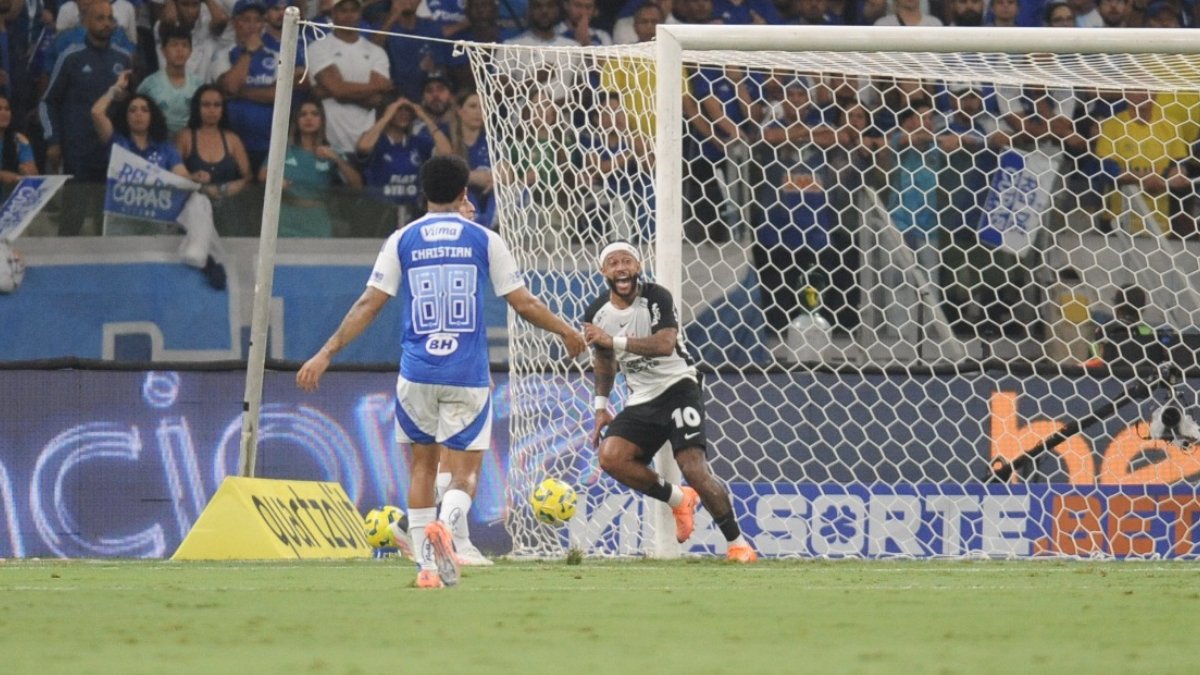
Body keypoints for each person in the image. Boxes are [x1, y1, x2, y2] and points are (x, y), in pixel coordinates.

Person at [297, 155, 586, 588]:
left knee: (422, 469)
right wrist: (566, 331)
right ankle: (447, 528)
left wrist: (326, 352)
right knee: (466, 475)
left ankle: (426, 570)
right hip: (467, 374)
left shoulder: (401, 239)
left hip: (416, 373)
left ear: (423, 192)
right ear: (464, 192)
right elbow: (523, 302)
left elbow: (368, 304)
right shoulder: (484, 239)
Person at [582, 241, 758, 563]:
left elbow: (665, 344)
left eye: (627, 261)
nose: (621, 268)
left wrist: (614, 340)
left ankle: (737, 543)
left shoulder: (656, 297)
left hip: (679, 386)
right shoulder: (596, 313)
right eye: (613, 263)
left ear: (638, 267)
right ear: (603, 271)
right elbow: (604, 362)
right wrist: (600, 407)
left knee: (692, 467)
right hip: (643, 398)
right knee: (610, 457)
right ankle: (679, 499)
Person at [92, 73, 226, 288]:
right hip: (123, 222)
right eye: (132, 110)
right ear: (125, 116)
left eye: (144, 110)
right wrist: (114, 91)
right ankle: (210, 260)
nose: (138, 114)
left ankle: (200, 252)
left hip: (156, 223)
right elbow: (97, 113)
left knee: (199, 201)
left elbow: (181, 176)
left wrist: (195, 177)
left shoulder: (165, 148)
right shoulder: (118, 142)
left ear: (152, 116)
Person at [260, 98, 363, 237]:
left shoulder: (332, 151)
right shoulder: (283, 150)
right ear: (296, 120)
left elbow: (357, 184)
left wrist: (336, 159)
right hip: (286, 215)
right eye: (303, 114)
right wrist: (275, 181)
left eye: (314, 114)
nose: (309, 118)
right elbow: (262, 175)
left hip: (317, 218)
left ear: (322, 120)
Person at [176, 84, 253, 236]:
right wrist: (194, 180)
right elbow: (175, 174)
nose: (212, 110)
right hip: (192, 212)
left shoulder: (232, 139)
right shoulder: (185, 137)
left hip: (228, 211)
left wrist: (227, 189)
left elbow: (248, 176)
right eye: (206, 105)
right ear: (197, 107)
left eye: (217, 105)